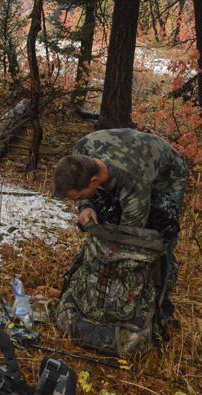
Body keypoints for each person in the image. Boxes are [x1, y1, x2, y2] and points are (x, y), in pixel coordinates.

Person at [52, 128, 189, 332]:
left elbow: (129, 239)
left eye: (78, 197)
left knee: (156, 239)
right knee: (108, 218)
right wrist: (86, 206)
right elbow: (90, 194)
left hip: (167, 178)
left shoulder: (134, 184)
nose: (77, 201)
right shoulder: (80, 152)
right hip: (129, 163)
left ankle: (159, 306)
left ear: (93, 182)